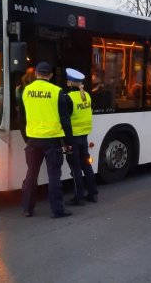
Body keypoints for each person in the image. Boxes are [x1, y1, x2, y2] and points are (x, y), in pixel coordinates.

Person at [21, 61, 73, 218]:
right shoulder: (57, 92)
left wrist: (26, 137)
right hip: (52, 140)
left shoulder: (26, 91)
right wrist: (68, 141)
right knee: (54, 176)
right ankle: (57, 210)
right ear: (50, 75)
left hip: (33, 140)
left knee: (31, 174)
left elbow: (22, 117)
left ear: (36, 73)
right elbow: (65, 120)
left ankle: (27, 208)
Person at [64, 68, 98, 206]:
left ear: (69, 83)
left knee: (75, 167)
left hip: (73, 138)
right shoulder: (88, 96)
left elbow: (65, 120)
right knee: (86, 165)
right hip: (84, 136)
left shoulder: (68, 98)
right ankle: (93, 194)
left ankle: (78, 197)